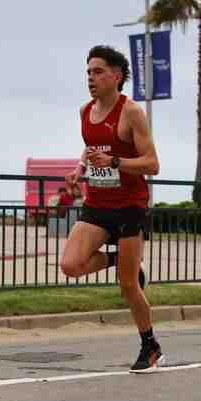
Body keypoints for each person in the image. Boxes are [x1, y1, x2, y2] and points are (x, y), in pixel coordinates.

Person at [61, 45, 163, 373]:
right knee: (71, 265)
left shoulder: (131, 112)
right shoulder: (84, 112)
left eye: (98, 71)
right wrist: (80, 169)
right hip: (97, 204)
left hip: (130, 207)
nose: (91, 78)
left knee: (128, 286)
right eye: (88, 72)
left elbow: (153, 164)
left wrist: (116, 162)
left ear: (116, 76)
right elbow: (91, 148)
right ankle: (122, 260)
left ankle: (150, 346)